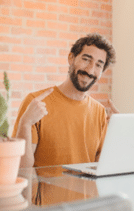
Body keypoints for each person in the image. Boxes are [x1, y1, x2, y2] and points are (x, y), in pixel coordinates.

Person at [12, 33, 119, 168]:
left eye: (99, 65)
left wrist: (116, 135)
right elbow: (22, 169)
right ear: (71, 58)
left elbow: (102, 168)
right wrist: (25, 123)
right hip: (44, 190)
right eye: (86, 59)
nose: (91, 70)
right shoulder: (36, 103)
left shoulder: (99, 112)